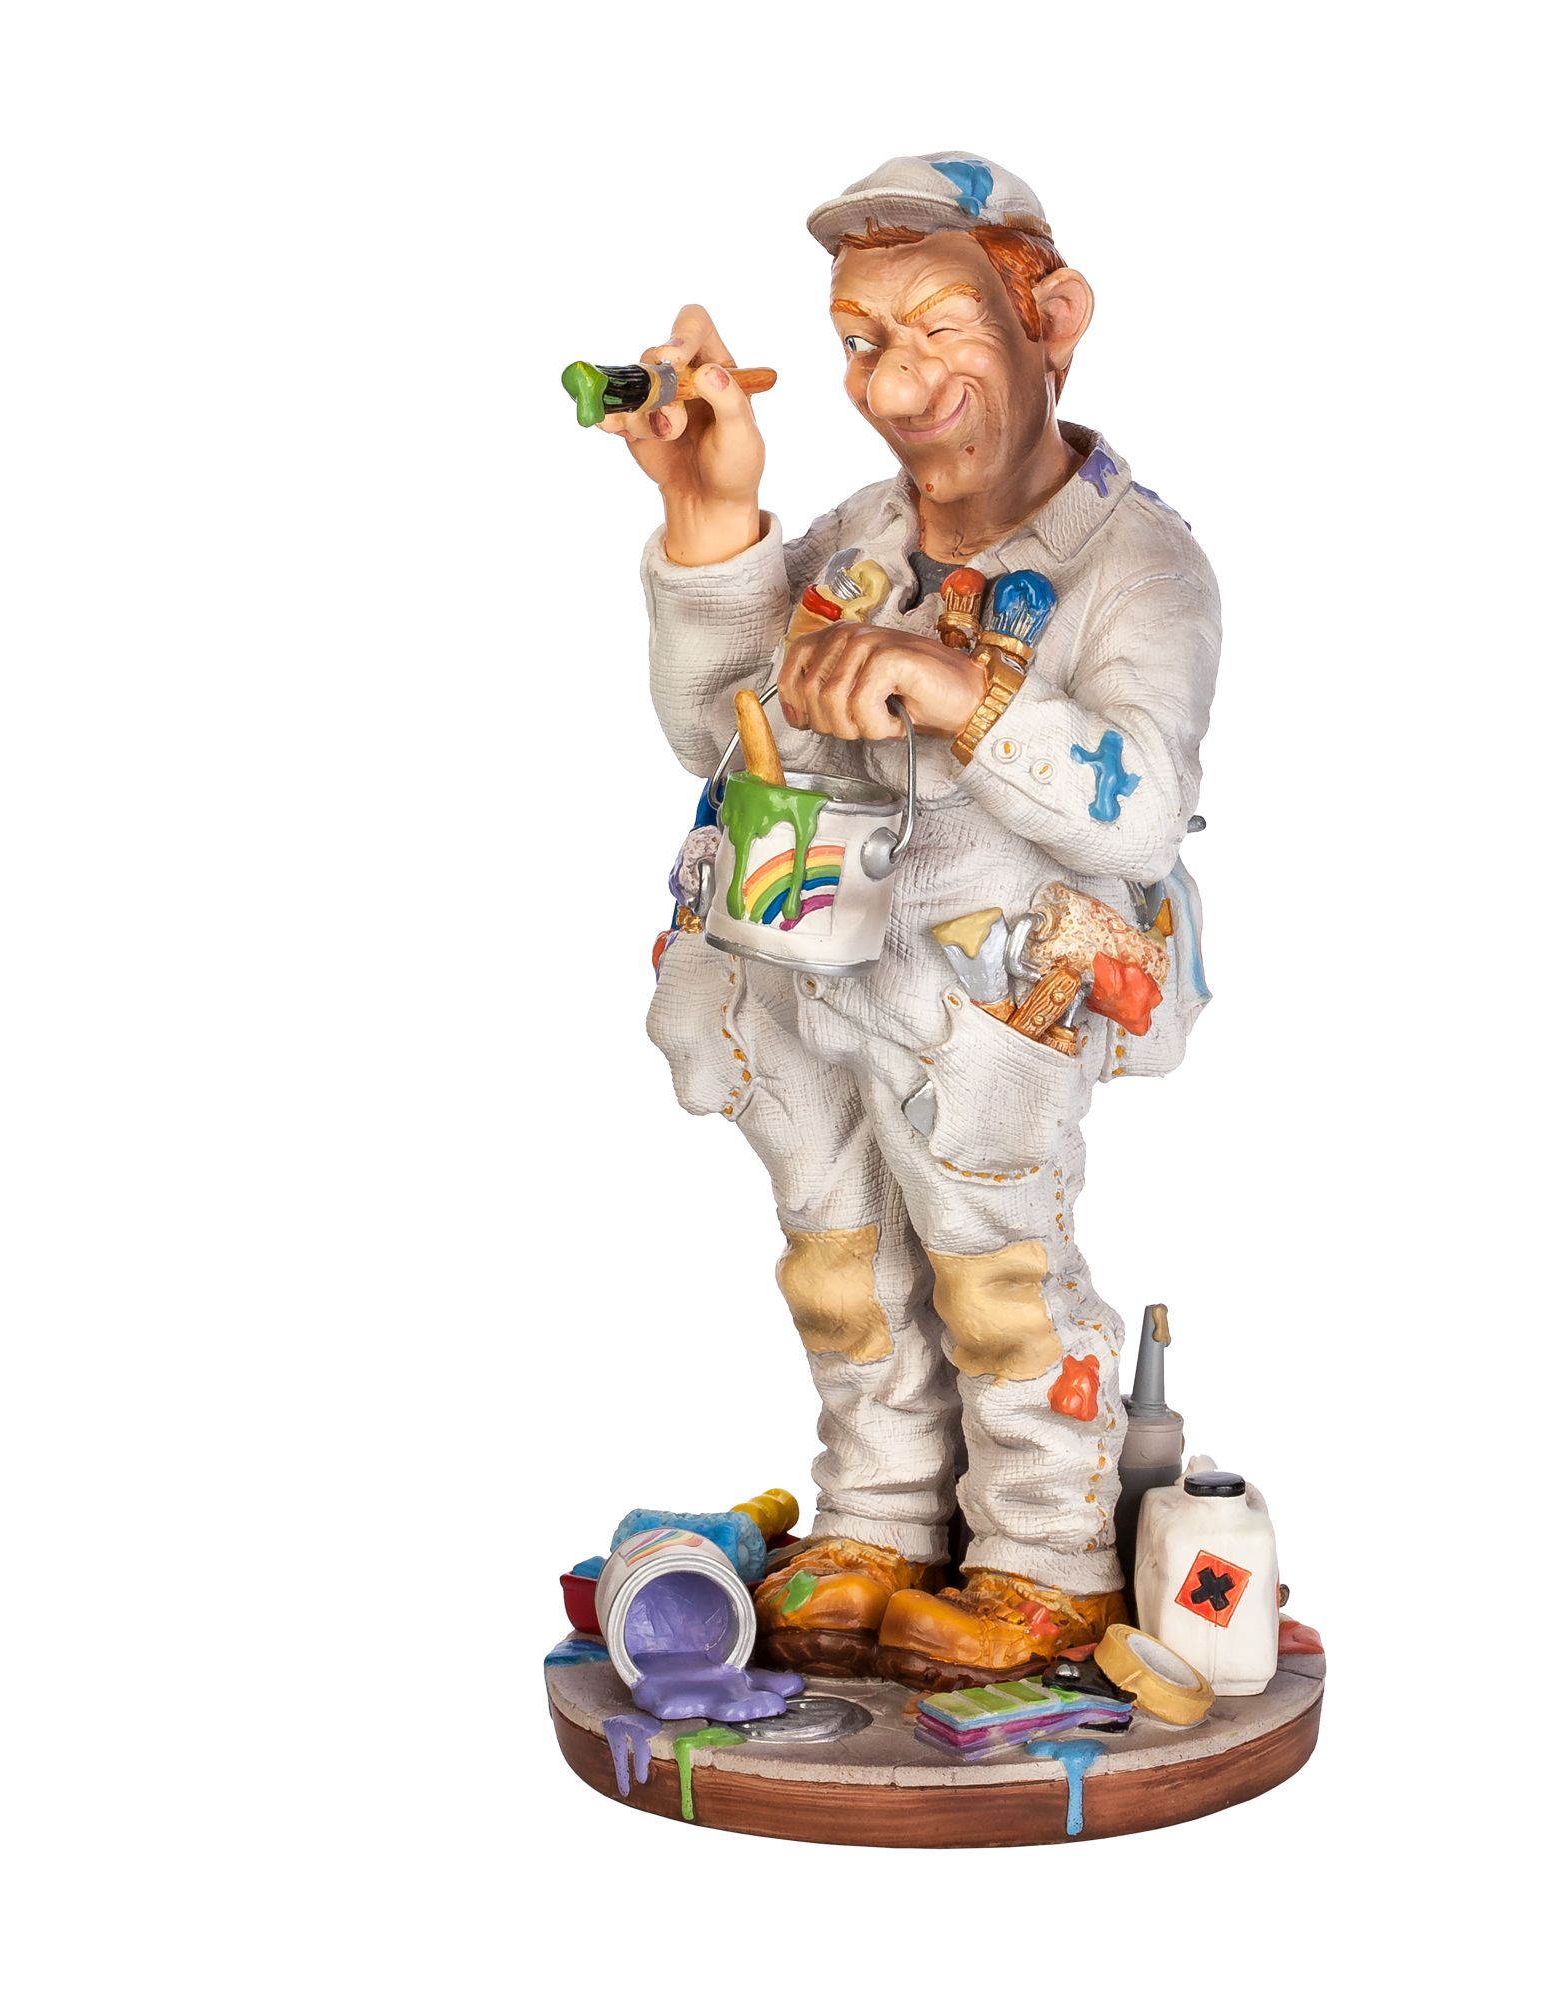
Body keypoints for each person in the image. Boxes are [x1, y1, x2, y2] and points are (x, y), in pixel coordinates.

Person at [598, 154, 1220, 1689]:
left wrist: (961, 693)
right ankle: (878, 1516)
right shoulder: (863, 539)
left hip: (994, 995)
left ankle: (1048, 1553)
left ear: (1050, 322)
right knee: (839, 1249)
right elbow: (723, 729)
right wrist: (712, 520)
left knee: (995, 1267)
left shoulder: (1137, 567)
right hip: (806, 955)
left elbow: (1142, 805)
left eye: (941, 330)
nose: (893, 381)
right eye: (861, 339)